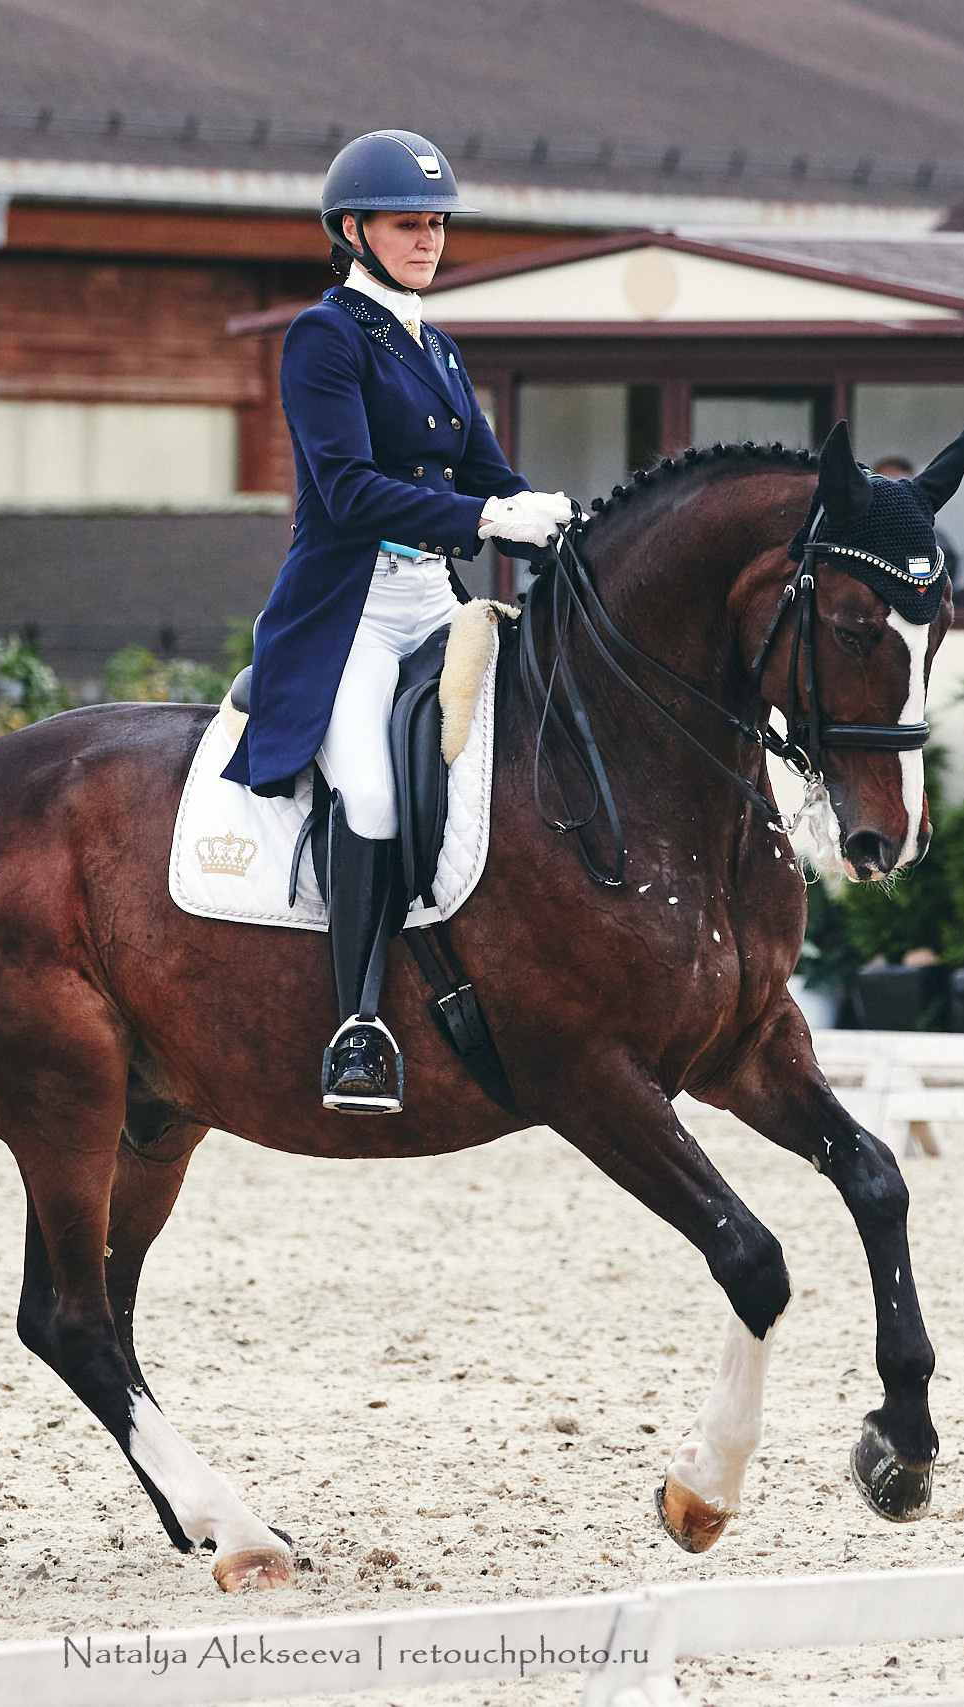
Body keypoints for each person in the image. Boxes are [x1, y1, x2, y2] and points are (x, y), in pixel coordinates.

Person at [220, 129, 572, 1116]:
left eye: (435, 224)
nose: (427, 240)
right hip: (350, 615)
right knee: (371, 795)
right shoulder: (323, 338)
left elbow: (494, 477)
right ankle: (357, 1027)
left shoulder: (440, 348)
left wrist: (564, 522)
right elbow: (348, 490)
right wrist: (485, 520)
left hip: (436, 606)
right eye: (407, 224)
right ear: (351, 230)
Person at [870, 456, 964, 611]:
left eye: (898, 485)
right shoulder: (857, 540)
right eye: (884, 486)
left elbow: (938, 592)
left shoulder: (935, 541)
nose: (891, 496)